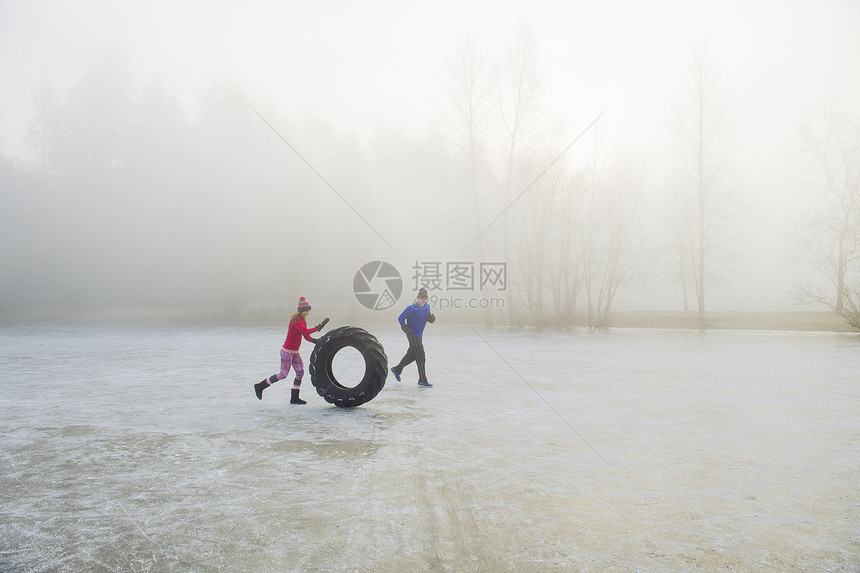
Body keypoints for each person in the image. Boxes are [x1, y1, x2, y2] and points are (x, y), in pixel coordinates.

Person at [254, 296, 329, 404]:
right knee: (283, 374)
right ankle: (260, 386)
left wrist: (315, 341)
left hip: (295, 353)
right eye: (306, 311)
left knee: (300, 372)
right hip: (287, 352)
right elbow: (305, 331)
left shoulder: (302, 320)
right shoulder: (296, 321)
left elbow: (306, 336)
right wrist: (318, 327)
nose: (307, 313)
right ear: (301, 311)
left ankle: (294, 397)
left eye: (308, 311)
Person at [390, 288, 436, 387]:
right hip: (412, 335)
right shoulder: (411, 309)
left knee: (413, 354)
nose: (423, 301)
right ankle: (422, 380)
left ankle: (397, 369)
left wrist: (431, 319)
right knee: (421, 356)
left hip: (420, 335)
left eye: (425, 299)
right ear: (418, 298)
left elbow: (426, 316)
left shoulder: (427, 307)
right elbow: (401, 318)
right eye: (422, 299)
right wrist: (405, 328)